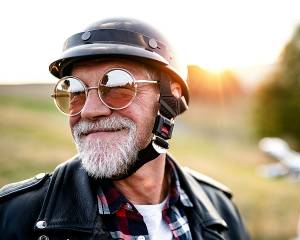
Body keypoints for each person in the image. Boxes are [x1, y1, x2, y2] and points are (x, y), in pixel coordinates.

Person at [0, 17, 250, 240]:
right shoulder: (13, 216)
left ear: (168, 101)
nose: (89, 110)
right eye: (75, 90)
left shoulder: (220, 209)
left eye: (118, 85)